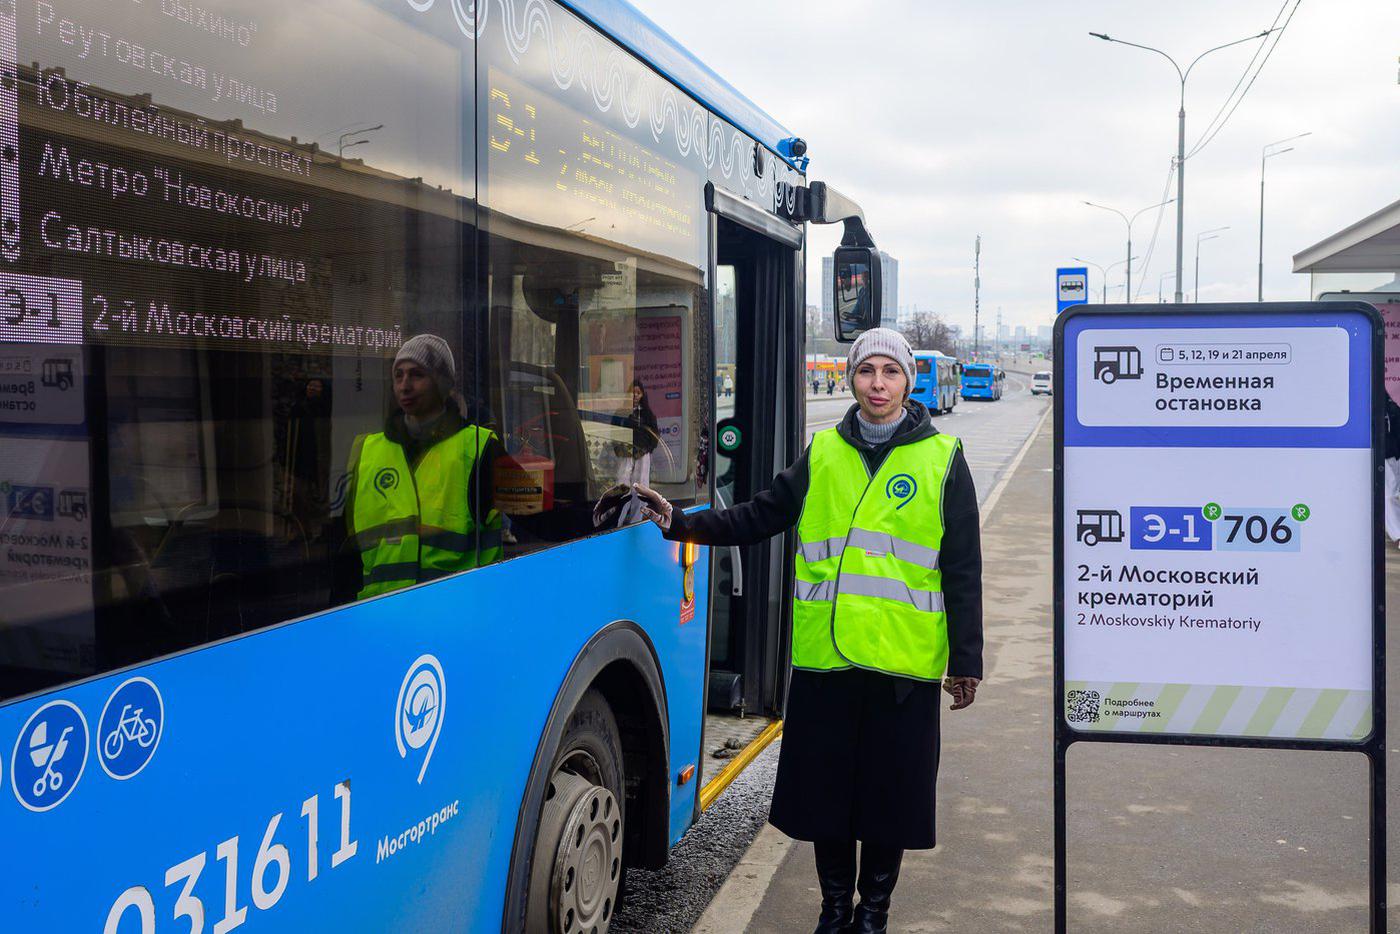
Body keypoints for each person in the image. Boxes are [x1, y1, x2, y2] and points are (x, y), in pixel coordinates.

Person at [635, 327, 983, 933]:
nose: (879, 384)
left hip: (903, 665)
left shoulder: (943, 459)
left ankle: (872, 914)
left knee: (886, 800)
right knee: (830, 798)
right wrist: (681, 523)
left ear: (907, 381)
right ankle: (833, 910)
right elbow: (759, 515)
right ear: (850, 377)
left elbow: (962, 569)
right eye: (867, 370)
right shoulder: (822, 453)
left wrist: (967, 659)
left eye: (891, 372)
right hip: (827, 663)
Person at [340, 334, 503, 599]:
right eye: (398, 375)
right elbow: (345, 549)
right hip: (381, 616)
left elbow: (537, 517)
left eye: (417, 375)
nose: (404, 386)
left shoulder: (479, 446)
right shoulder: (368, 449)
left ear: (442, 384)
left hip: (457, 610)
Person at [613, 378, 661, 525]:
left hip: (642, 453)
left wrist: (647, 449)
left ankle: (636, 520)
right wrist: (619, 449)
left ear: (642, 395)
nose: (635, 396)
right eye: (632, 393)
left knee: (640, 487)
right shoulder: (621, 412)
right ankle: (618, 520)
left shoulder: (647, 414)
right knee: (622, 484)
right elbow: (614, 432)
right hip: (625, 452)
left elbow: (655, 434)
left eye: (638, 393)